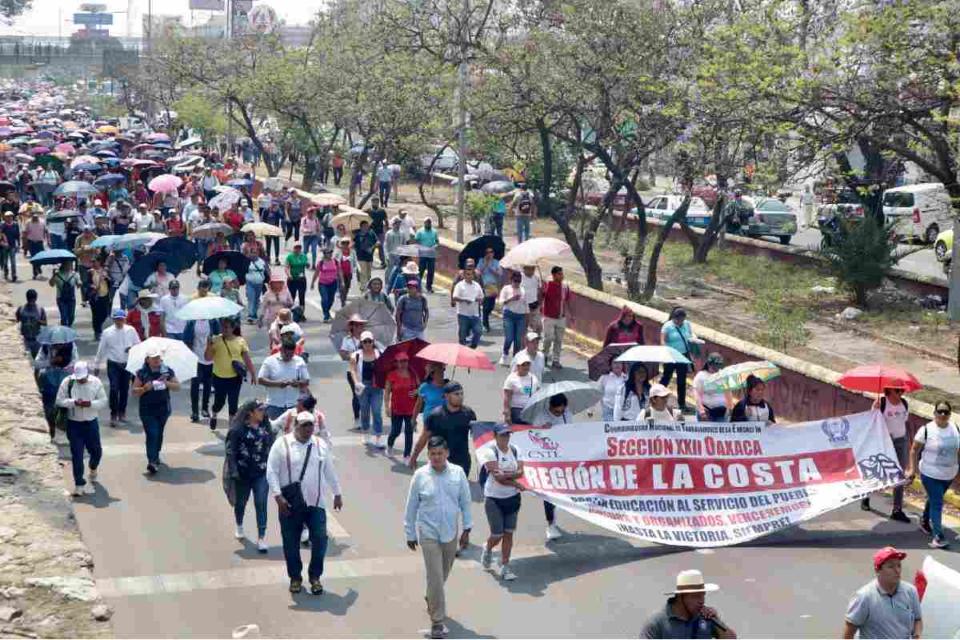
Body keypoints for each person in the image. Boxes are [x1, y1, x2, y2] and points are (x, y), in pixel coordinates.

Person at [266, 410, 343, 595]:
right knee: (291, 543)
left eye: (311, 425)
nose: (308, 429)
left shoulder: (320, 444)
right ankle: (295, 578)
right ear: (295, 426)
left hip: (315, 503)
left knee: (320, 539)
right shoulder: (281, 444)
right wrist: (278, 496)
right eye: (304, 426)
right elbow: (271, 471)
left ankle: (315, 576)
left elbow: (329, 471)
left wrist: (337, 493)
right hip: (290, 504)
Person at [404, 436, 473, 639]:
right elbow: (411, 507)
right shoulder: (420, 476)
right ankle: (437, 621)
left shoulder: (458, 473)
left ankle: (431, 596)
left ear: (447, 453)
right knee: (435, 576)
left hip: (450, 533)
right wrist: (410, 533)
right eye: (432, 454)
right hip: (428, 533)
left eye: (440, 454)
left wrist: (467, 529)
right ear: (428, 455)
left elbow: (465, 502)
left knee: (442, 575)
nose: (436, 457)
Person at [905, 400, 959, 549]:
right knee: (937, 502)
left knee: (935, 498)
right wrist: (912, 469)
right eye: (940, 411)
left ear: (950, 414)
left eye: (946, 412)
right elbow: (914, 450)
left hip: (949, 474)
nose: (942, 414)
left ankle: (924, 521)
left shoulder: (955, 428)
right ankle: (938, 536)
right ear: (934, 413)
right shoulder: (926, 430)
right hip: (930, 473)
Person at [225, 400, 276, 553]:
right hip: (243, 474)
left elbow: (272, 447)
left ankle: (261, 537)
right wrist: (233, 471)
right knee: (241, 503)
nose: (263, 413)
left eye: (264, 410)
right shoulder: (237, 430)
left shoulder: (265, 427)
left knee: (261, 503)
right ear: (250, 413)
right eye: (260, 410)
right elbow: (230, 451)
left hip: (262, 473)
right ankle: (239, 524)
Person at [842, 547, 921, 639]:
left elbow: (917, 619)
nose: (897, 570)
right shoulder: (864, 597)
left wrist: (916, 635)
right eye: (891, 566)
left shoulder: (911, 591)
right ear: (878, 570)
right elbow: (849, 631)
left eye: (899, 565)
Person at [478, 424, 523, 582]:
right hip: (494, 499)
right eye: (503, 435)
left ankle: (505, 566)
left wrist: (507, 475)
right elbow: (498, 478)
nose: (506, 438)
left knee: (509, 533)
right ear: (495, 436)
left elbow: (521, 472)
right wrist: (516, 483)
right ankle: (488, 548)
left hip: (512, 499)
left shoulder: (516, 450)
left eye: (508, 435)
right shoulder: (489, 452)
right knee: (497, 534)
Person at [56, 361, 107, 497]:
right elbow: (59, 400)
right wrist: (73, 403)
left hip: (91, 423)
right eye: (79, 379)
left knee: (96, 451)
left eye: (83, 378)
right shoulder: (67, 383)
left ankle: (93, 467)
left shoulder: (96, 383)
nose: (81, 381)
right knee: (77, 455)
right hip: (74, 424)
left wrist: (90, 404)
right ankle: (79, 484)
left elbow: (103, 401)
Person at [861, 388, 912, 523]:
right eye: (897, 391)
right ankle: (866, 495)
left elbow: (904, 422)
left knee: (899, 474)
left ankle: (897, 509)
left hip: (900, 441)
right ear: (889, 391)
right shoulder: (881, 403)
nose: (901, 393)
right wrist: (875, 410)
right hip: (883, 441)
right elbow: (871, 421)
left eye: (902, 390)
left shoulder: (904, 404)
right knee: (876, 472)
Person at [640, 569, 737, 639]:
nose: (702, 601)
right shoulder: (656, 623)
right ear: (680, 597)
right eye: (696, 596)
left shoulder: (707, 617)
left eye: (703, 595)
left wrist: (716, 620)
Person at [410, 382, 477, 476]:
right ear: (446, 396)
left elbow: (477, 436)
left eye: (462, 393)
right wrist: (414, 456)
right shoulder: (435, 415)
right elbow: (424, 437)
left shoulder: (469, 414)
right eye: (456, 394)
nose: (460, 396)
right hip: (440, 462)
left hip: (462, 462)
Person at [132, 349, 180, 475]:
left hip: (163, 408)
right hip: (147, 409)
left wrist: (167, 383)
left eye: (158, 357)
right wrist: (144, 388)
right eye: (153, 358)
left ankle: (156, 454)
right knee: (152, 433)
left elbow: (177, 386)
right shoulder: (141, 373)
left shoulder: (167, 371)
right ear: (147, 359)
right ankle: (152, 461)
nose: (156, 360)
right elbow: (134, 391)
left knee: (159, 434)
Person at [206, 316, 257, 430]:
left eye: (227, 327)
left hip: (235, 377)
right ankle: (214, 414)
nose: (224, 329)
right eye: (222, 327)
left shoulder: (240, 341)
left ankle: (231, 429)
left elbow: (246, 358)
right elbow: (208, 358)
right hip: (219, 377)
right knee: (219, 402)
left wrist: (253, 373)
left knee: (233, 403)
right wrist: (209, 345)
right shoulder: (215, 340)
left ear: (233, 328)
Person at [94, 309, 141, 427]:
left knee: (124, 389)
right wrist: (97, 364)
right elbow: (101, 349)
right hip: (113, 363)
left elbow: (138, 345)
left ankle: (122, 412)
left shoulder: (131, 330)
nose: (119, 322)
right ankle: (113, 413)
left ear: (125, 319)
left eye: (121, 319)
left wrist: (132, 349)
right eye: (117, 320)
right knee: (114, 388)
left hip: (126, 363)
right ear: (114, 320)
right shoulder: (107, 332)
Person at [259, 337, 310, 420]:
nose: (289, 357)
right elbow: (261, 379)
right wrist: (277, 384)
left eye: (291, 355)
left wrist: (297, 383)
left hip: (294, 405)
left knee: (293, 430)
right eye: (287, 355)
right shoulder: (270, 361)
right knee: (274, 431)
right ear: (281, 350)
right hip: (274, 405)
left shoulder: (299, 361)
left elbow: (306, 380)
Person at [350, 331, 384, 448]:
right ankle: (366, 433)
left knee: (376, 411)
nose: (368, 344)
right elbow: (353, 370)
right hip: (363, 386)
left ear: (373, 342)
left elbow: (385, 368)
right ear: (361, 343)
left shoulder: (379, 353)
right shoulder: (356, 355)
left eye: (370, 341)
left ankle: (378, 437)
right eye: (365, 341)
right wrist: (356, 383)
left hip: (377, 387)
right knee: (364, 411)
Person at [660, 307, 698, 411]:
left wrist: (694, 339)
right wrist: (666, 350)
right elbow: (662, 340)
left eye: (682, 320)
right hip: (671, 356)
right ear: (674, 318)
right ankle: (657, 398)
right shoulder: (667, 326)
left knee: (682, 380)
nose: (680, 322)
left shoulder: (687, 324)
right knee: (666, 377)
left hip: (682, 356)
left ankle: (682, 404)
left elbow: (690, 335)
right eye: (678, 320)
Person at [183, 308, 218, 424]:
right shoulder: (192, 322)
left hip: (209, 356)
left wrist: (212, 345)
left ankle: (204, 408)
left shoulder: (213, 322)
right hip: (195, 355)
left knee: (208, 383)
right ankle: (194, 411)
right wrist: (189, 354)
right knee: (195, 383)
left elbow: (219, 336)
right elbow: (186, 339)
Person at [384, 352, 420, 460]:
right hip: (396, 409)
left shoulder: (413, 374)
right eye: (401, 361)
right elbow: (386, 392)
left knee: (409, 432)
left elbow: (421, 388)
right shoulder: (391, 375)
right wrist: (386, 407)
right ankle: (389, 446)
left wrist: (416, 391)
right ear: (396, 363)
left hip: (411, 409)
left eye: (405, 361)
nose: (403, 363)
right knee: (396, 431)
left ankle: (407, 455)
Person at [38, 346, 70, 442]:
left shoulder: (70, 348)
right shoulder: (44, 348)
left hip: (62, 380)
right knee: (49, 411)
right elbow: (37, 364)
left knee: (62, 411)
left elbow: (74, 363)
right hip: (49, 385)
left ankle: (61, 431)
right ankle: (52, 432)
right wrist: (50, 362)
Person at [541, 266, 571, 369]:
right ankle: (544, 354)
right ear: (553, 275)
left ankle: (556, 360)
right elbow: (541, 297)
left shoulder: (565, 287)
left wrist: (570, 315)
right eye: (559, 274)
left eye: (562, 274)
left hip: (561, 318)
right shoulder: (548, 285)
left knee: (559, 340)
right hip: (549, 317)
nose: (562, 276)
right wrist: (542, 290)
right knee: (549, 338)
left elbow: (567, 301)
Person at [497, 271, 527, 365]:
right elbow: (500, 302)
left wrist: (527, 317)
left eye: (518, 281)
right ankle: (505, 354)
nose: (517, 283)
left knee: (518, 339)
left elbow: (526, 305)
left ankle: (515, 358)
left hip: (521, 316)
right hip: (509, 315)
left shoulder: (523, 290)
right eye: (515, 281)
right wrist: (511, 299)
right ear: (511, 280)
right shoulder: (506, 289)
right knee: (509, 337)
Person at [502, 352, 540, 424]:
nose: (526, 367)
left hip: (530, 411)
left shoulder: (534, 378)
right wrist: (507, 413)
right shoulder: (511, 378)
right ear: (518, 366)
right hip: (516, 410)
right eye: (523, 365)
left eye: (528, 364)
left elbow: (537, 394)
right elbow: (507, 397)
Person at [693, 353, 731, 422]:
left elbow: (728, 392)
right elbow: (697, 393)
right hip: (706, 411)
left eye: (718, 367)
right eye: (714, 367)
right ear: (708, 364)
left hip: (721, 411)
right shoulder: (701, 376)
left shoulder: (724, 375)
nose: (716, 369)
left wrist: (730, 408)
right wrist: (701, 408)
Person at [453, 263, 483, 348]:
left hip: (474, 314)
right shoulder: (460, 285)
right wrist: (464, 300)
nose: (469, 276)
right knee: (462, 334)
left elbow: (481, 297)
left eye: (471, 274)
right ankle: (461, 349)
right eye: (468, 274)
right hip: (463, 314)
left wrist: (478, 300)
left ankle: (472, 347)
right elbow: (455, 297)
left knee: (478, 331)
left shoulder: (477, 285)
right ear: (464, 275)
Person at [311, 246, 339, 322]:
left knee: (331, 300)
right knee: (325, 299)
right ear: (324, 254)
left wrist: (342, 281)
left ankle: (327, 311)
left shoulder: (335, 261)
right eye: (328, 253)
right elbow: (316, 273)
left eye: (331, 253)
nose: (330, 254)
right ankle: (326, 315)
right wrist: (312, 283)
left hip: (333, 282)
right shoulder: (321, 263)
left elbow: (339, 271)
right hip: (323, 283)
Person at [15, 288, 46, 358]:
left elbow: (45, 323)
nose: (31, 302)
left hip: (36, 339)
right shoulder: (21, 309)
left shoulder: (40, 309)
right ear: (27, 299)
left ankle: (36, 369)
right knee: (23, 359)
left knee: (37, 358)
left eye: (32, 300)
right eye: (30, 300)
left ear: (35, 299)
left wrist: (38, 321)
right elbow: (16, 321)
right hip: (24, 339)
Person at [477, 247, 502, 332]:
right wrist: (485, 265)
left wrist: (491, 268)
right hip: (484, 285)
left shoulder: (496, 262)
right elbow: (478, 273)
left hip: (493, 286)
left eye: (491, 252)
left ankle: (485, 318)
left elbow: (499, 273)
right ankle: (485, 323)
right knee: (486, 305)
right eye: (487, 252)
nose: (489, 254)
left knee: (491, 306)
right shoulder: (481, 261)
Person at [49, 261, 80, 327]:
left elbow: (79, 283)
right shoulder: (58, 275)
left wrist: (79, 284)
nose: (70, 266)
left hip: (71, 298)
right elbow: (51, 284)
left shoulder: (75, 274)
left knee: (71, 316)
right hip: (61, 298)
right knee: (64, 316)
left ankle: (68, 327)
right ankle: (65, 329)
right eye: (68, 264)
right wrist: (53, 275)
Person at [88, 257, 112, 340]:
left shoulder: (105, 271)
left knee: (104, 314)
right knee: (95, 315)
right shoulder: (90, 272)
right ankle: (97, 332)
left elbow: (110, 282)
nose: (94, 263)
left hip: (104, 295)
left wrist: (107, 278)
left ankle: (102, 329)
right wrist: (93, 287)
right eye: (92, 262)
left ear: (99, 262)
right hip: (95, 296)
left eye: (95, 261)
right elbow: (87, 284)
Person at [353, 220, 378, 290]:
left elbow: (377, 242)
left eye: (367, 226)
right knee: (363, 272)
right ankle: (364, 287)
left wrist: (372, 248)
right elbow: (354, 245)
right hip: (360, 256)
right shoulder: (357, 235)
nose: (366, 227)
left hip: (369, 256)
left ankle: (367, 284)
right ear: (361, 227)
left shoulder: (371, 233)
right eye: (364, 226)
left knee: (369, 273)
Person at [415, 217, 438, 293]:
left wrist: (435, 246)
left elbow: (437, 241)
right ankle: (417, 286)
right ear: (424, 223)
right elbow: (416, 241)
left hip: (431, 254)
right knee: (421, 270)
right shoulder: (420, 231)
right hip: (423, 254)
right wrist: (420, 248)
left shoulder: (434, 231)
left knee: (431, 271)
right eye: (426, 222)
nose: (428, 224)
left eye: (429, 222)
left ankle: (429, 287)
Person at [284, 241, 309, 311]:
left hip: (301, 279)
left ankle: (301, 313)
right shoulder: (290, 257)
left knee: (302, 296)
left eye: (299, 247)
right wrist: (289, 275)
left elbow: (307, 264)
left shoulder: (303, 256)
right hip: (292, 279)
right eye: (296, 247)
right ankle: (289, 312)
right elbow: (286, 267)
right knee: (292, 296)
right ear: (293, 248)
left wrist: (308, 264)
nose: (298, 249)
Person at [334, 237, 358, 307]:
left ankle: (344, 298)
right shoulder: (338, 252)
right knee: (342, 287)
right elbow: (334, 261)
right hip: (341, 273)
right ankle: (343, 301)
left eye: (347, 243)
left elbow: (355, 261)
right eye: (343, 243)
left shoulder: (352, 252)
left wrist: (356, 269)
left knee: (347, 287)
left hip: (349, 272)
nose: (345, 245)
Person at [368, 198, 388, 267]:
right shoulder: (368, 211)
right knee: (372, 247)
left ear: (378, 202)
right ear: (371, 202)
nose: (375, 203)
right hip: (371, 232)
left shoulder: (382, 211)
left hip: (380, 232)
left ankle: (383, 262)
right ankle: (369, 261)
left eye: (376, 202)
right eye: (374, 201)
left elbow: (386, 221)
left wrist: (386, 230)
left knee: (380, 247)